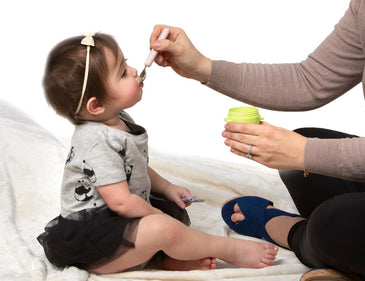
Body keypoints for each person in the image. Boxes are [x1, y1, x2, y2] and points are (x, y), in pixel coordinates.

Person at [146, 0, 365, 280]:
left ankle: (293, 233)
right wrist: (202, 67)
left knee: (337, 221)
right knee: (302, 158)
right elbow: (311, 80)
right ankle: (351, 253)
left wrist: (304, 152)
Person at [36, 32, 279, 274]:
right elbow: (121, 202)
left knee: (172, 218)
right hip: (95, 242)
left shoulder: (117, 119)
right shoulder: (96, 140)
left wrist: (166, 187)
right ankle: (229, 249)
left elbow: (134, 166)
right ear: (96, 105)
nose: (133, 70)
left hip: (123, 216)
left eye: (127, 62)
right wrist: (157, 214)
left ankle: (162, 259)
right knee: (164, 227)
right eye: (122, 72)